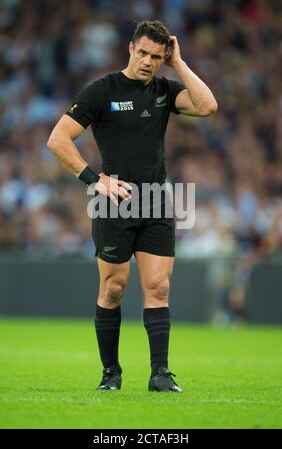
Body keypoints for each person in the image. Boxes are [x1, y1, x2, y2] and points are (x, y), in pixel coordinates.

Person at [47, 20, 218, 392]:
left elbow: (207, 106)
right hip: (115, 201)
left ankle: (160, 374)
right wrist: (95, 180)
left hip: (157, 200)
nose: (147, 62)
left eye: (157, 57)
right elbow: (58, 139)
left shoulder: (164, 88)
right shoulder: (101, 91)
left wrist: (179, 63)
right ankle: (111, 373)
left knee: (158, 286)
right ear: (130, 49)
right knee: (112, 289)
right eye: (142, 53)